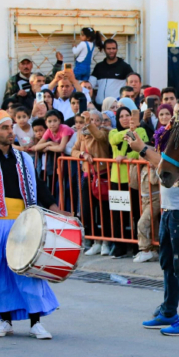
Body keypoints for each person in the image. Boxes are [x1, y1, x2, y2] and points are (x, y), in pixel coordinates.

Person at [0, 109, 69, 339]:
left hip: (24, 223)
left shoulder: (24, 159)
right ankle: (5, 321)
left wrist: (55, 210)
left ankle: (35, 322)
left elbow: (39, 187)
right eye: (4, 128)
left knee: (28, 272)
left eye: (10, 127)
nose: (10, 132)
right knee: (0, 274)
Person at [128, 130, 179, 336]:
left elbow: (178, 171)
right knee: (168, 263)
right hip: (171, 209)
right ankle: (169, 311)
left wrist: (143, 149)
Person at [108, 107, 148, 258]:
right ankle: (119, 246)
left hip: (134, 179)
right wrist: (131, 130)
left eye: (128, 116)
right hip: (117, 179)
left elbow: (140, 150)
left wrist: (126, 158)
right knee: (118, 214)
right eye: (122, 116)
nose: (125, 118)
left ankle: (137, 245)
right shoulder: (113, 132)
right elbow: (114, 139)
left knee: (136, 213)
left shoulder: (142, 131)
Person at [72, 110, 112, 257]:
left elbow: (99, 137)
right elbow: (74, 150)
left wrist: (89, 124)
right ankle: (95, 241)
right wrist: (83, 154)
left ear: (100, 122)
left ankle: (106, 242)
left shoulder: (105, 132)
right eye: (90, 120)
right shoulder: (82, 133)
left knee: (103, 211)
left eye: (96, 120)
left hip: (102, 175)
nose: (93, 123)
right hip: (87, 175)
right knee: (87, 211)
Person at [90, 39, 133, 105]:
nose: (111, 51)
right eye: (109, 49)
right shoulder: (99, 66)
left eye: (113, 48)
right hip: (99, 106)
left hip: (116, 107)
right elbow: (90, 85)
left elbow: (132, 85)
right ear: (104, 50)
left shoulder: (125, 67)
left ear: (117, 49)